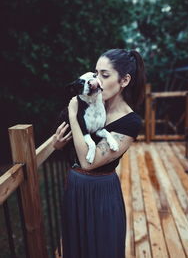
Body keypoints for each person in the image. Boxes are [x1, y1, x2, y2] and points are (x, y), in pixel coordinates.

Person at [53, 49, 146, 258]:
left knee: (101, 249)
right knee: (76, 248)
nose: (96, 81)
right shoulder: (93, 102)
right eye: (96, 74)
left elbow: (89, 162)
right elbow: (64, 144)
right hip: (75, 187)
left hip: (100, 193)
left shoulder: (130, 122)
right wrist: (56, 144)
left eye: (104, 75)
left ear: (124, 81)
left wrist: (72, 113)